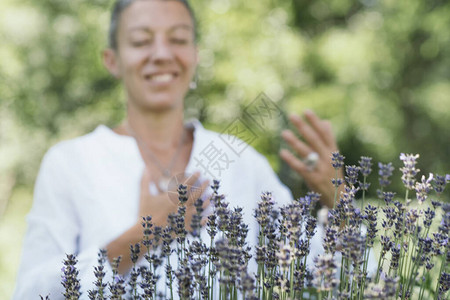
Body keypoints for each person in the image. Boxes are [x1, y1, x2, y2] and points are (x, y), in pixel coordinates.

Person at [13, 0, 342, 298]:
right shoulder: (71, 163)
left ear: (195, 56)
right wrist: (141, 234)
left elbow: (329, 273)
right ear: (112, 60)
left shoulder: (241, 161)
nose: (161, 54)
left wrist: (339, 199)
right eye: (141, 41)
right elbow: (31, 292)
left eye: (179, 39)